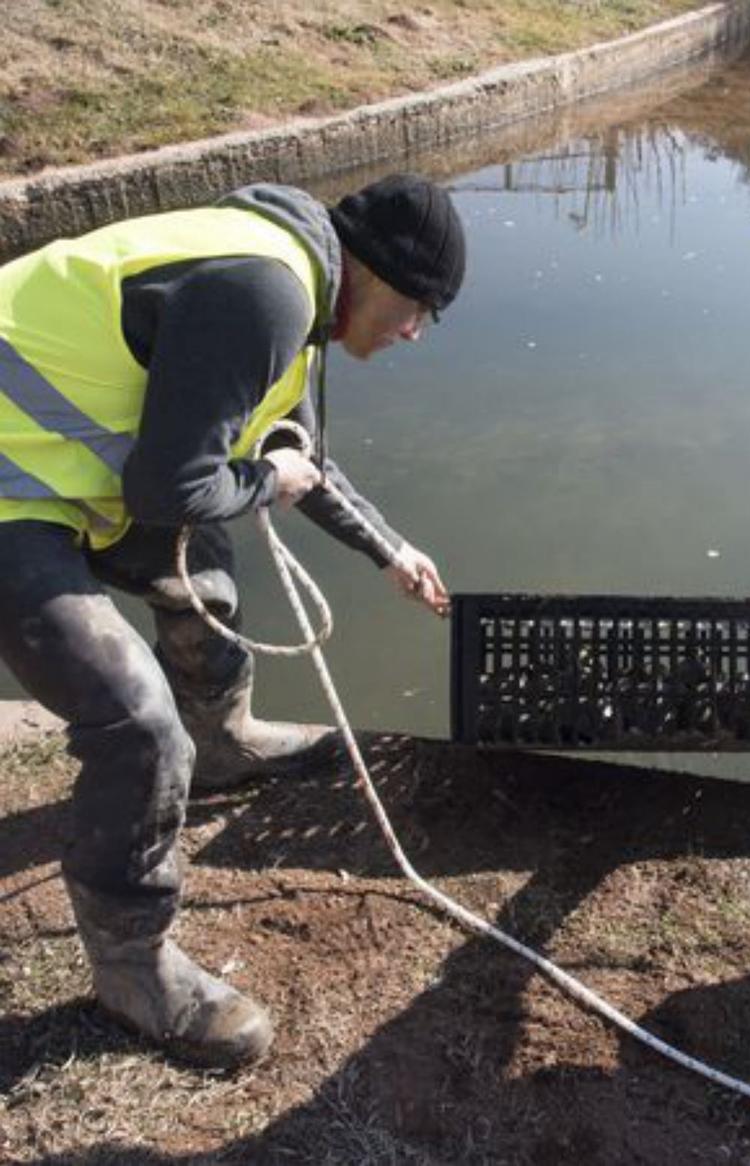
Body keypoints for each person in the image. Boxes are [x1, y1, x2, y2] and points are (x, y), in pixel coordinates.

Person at [0, 172, 465, 1068]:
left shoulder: (291, 280)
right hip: (11, 487)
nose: (414, 333)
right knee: (136, 724)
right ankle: (134, 966)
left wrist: (390, 551)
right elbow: (171, 487)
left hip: (47, 470)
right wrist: (264, 482)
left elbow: (301, 461)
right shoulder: (265, 294)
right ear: (374, 271)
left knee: (202, 562)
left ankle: (224, 742)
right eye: (418, 308)